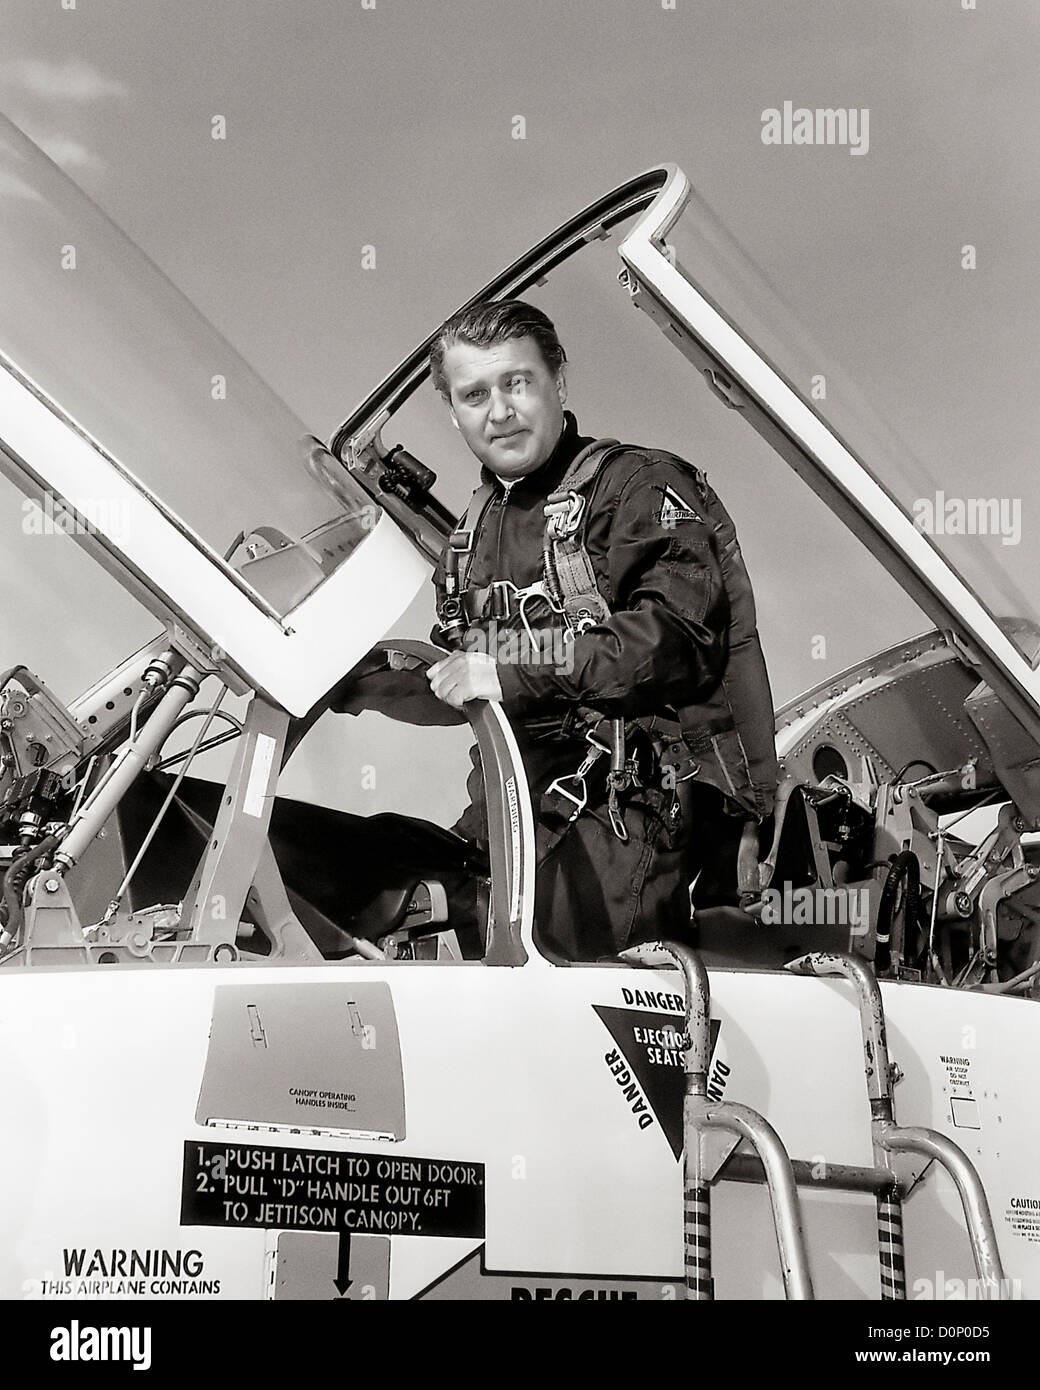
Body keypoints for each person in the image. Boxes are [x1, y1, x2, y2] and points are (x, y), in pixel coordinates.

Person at [424, 299, 777, 962]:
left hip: (629, 812)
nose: (499, 411)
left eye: (517, 383)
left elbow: (674, 641)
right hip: (509, 814)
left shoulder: (639, 487)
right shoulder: (468, 540)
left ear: (559, 381)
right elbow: (459, 674)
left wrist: (508, 668)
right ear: (453, 409)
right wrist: (359, 680)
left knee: (522, 969)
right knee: (384, 890)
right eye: (475, 393)